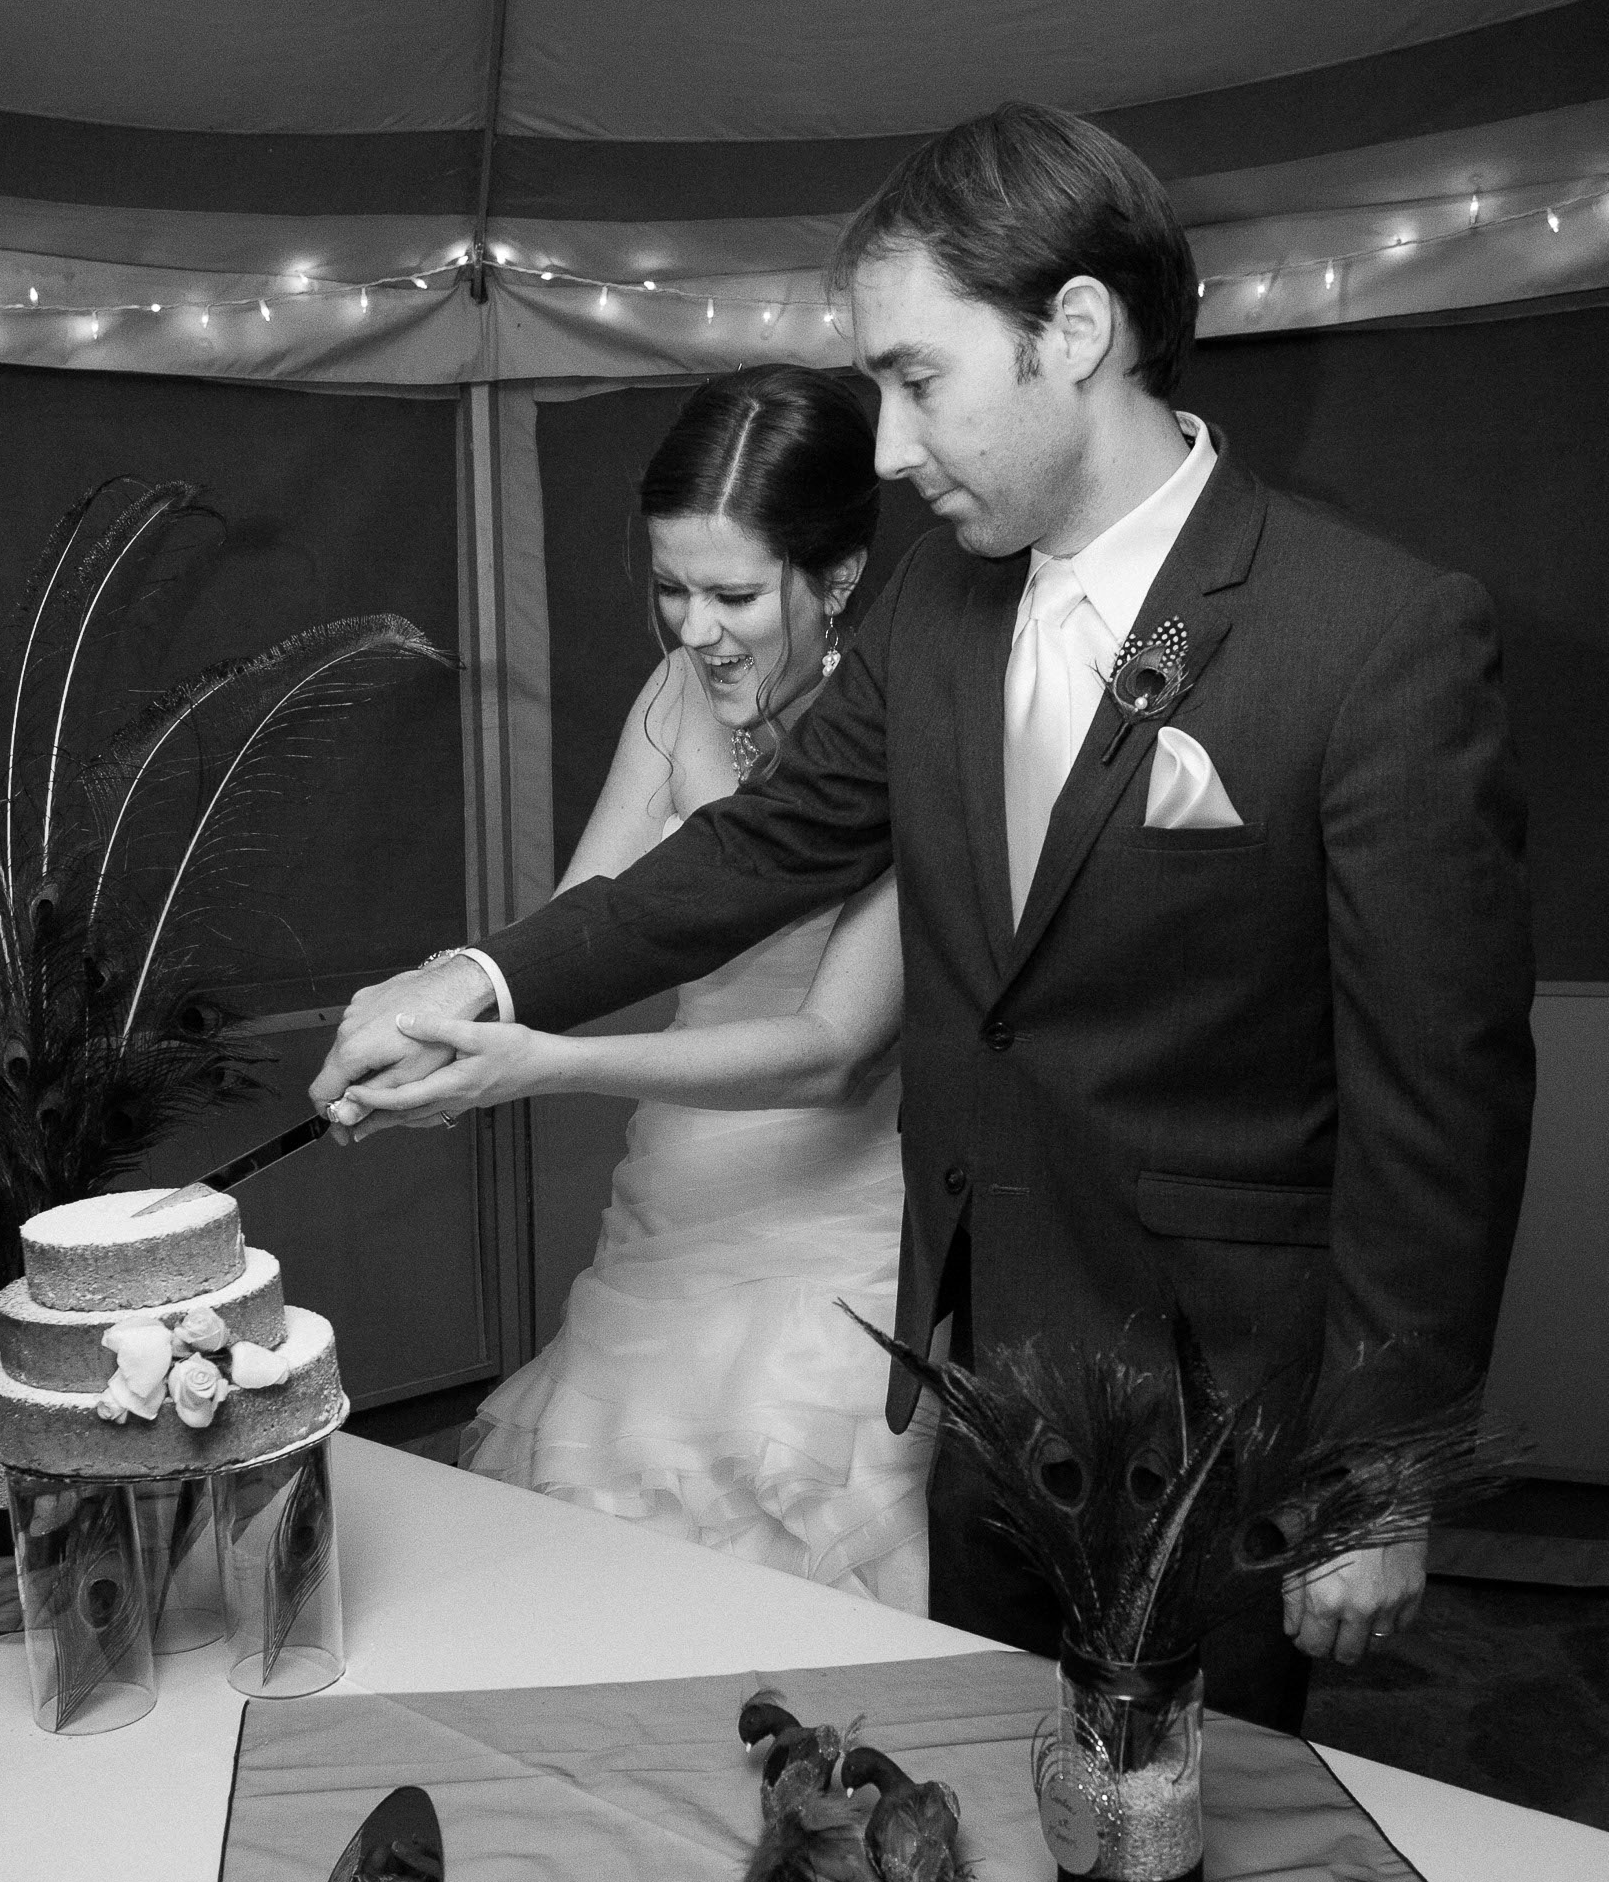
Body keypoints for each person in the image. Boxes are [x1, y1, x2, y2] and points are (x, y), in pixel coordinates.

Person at [318, 103, 1536, 1731]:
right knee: (983, 1776)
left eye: (915, 377)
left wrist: (1378, 1463)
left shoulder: (1371, 633)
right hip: (968, 1377)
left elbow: (1436, 1089)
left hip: (1220, 1402)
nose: (887, 448)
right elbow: (753, 848)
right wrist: (474, 975)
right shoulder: (936, 606)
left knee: (1192, 1817)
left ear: (1073, 332)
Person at [352, 370, 937, 1609]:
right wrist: (433, 1037)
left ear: (838, 576)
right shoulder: (676, 697)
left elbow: (832, 1048)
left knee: (792, 1579)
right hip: (670, 1203)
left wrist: (550, 1068)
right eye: (672, 588)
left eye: (734, 594)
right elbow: (584, 933)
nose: (695, 630)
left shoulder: (909, 723)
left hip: (839, 1231)